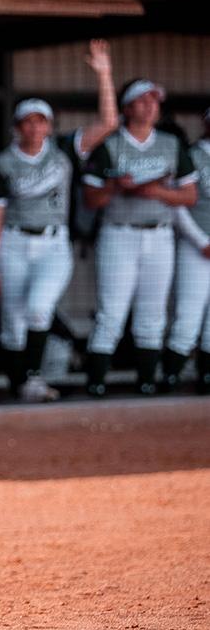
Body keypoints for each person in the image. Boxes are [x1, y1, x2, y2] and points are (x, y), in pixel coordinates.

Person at [0, 40, 117, 402]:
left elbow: (108, 123)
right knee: (12, 322)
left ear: (49, 125)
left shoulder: (61, 149)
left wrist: (103, 74)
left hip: (54, 241)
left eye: (40, 122)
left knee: (39, 308)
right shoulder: (3, 161)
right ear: (17, 127)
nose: (34, 128)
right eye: (27, 122)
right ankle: (20, 385)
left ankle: (32, 378)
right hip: (13, 241)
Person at [82, 78, 199, 396]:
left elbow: (189, 195)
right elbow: (90, 199)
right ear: (127, 107)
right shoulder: (110, 143)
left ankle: (146, 381)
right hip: (119, 232)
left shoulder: (170, 143)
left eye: (154, 102)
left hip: (159, 234)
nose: (150, 107)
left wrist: (157, 191)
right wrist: (116, 187)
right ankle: (96, 383)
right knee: (112, 311)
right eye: (142, 101)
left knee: (153, 312)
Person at [162, 108, 210, 394]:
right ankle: (170, 377)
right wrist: (201, 241)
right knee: (188, 316)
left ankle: (205, 378)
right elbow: (177, 204)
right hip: (196, 244)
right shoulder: (190, 154)